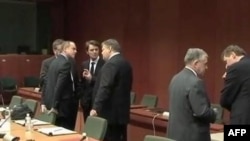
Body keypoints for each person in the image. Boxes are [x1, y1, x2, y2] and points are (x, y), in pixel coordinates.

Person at [167, 48, 216, 141]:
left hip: (175, 135)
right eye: (205, 64)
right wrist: (214, 113)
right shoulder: (196, 82)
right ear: (196, 63)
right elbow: (202, 112)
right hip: (192, 137)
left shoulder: (175, 78)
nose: (207, 67)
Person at [90, 39, 133, 141]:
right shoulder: (126, 63)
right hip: (121, 114)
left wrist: (96, 107)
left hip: (110, 114)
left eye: (103, 49)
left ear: (110, 49)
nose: (102, 52)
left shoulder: (111, 64)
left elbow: (105, 86)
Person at [42, 41, 79, 130]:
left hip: (55, 104)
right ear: (65, 49)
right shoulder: (65, 63)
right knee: (65, 132)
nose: (76, 51)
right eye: (73, 49)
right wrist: (54, 105)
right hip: (63, 106)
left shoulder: (54, 62)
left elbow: (48, 83)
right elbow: (59, 86)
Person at [220, 44, 250, 124]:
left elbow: (225, 100)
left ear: (233, 55)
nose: (227, 66)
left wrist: (226, 80)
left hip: (242, 118)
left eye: (226, 61)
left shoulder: (235, 68)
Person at [80, 40, 105, 122]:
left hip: (98, 102)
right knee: (87, 125)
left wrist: (92, 78)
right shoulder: (84, 64)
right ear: (87, 52)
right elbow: (81, 83)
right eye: (91, 50)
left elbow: (104, 82)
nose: (94, 52)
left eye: (96, 49)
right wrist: (82, 99)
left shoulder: (105, 64)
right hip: (86, 102)